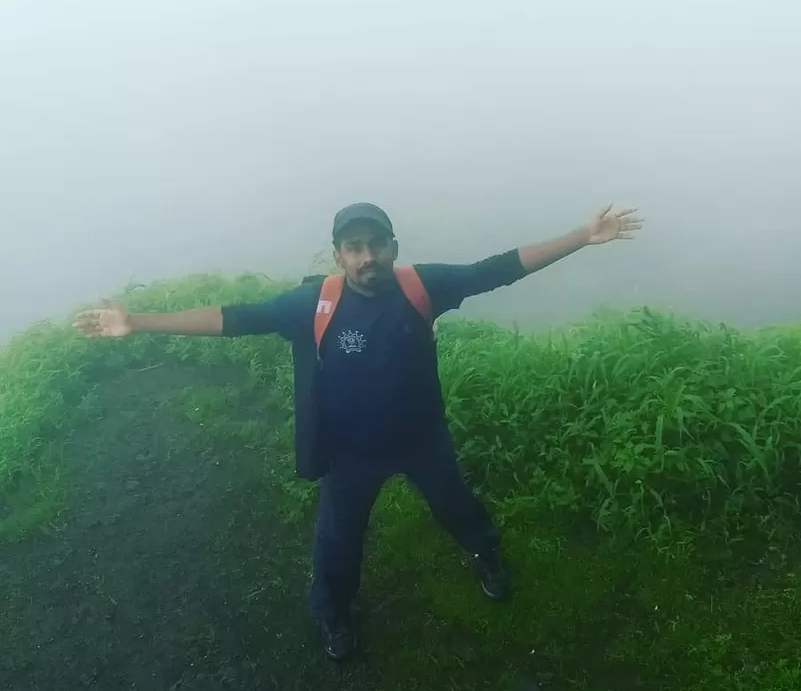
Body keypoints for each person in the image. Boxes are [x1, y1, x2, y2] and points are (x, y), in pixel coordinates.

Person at [74, 202, 643, 660]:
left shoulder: (422, 286)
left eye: (376, 244)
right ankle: (334, 616)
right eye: (354, 247)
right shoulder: (313, 303)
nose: (367, 257)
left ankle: (486, 554)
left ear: (393, 246)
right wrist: (137, 321)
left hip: (422, 439)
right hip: (349, 453)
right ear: (338, 254)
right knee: (337, 541)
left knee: (457, 506)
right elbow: (236, 318)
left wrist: (581, 236)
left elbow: (496, 269)